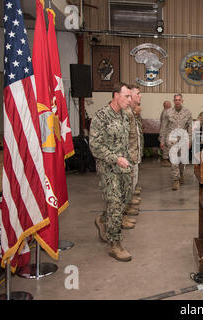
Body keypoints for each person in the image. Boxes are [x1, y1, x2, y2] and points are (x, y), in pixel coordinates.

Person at [90, 82, 133, 262]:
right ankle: (115, 244)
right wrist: (115, 158)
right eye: (127, 96)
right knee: (115, 203)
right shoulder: (101, 116)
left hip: (123, 167)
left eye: (131, 97)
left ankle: (103, 220)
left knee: (124, 200)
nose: (130, 100)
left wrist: (126, 159)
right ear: (116, 95)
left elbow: (124, 141)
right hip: (108, 169)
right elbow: (95, 146)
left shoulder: (124, 115)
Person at [159, 94, 192, 190]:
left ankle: (181, 173)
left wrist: (190, 140)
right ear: (174, 101)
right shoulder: (168, 113)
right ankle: (175, 180)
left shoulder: (187, 112)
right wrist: (162, 140)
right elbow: (163, 127)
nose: (177, 101)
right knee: (174, 160)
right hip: (171, 139)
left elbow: (190, 128)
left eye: (179, 100)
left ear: (182, 101)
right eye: (175, 100)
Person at [122, 85, 144, 221]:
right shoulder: (126, 112)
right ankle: (121, 216)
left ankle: (126, 208)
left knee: (130, 186)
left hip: (133, 156)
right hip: (127, 157)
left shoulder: (132, 112)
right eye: (138, 93)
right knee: (124, 189)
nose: (140, 96)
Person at [160, 100, 172, 167]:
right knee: (165, 147)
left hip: (167, 132)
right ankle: (165, 161)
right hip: (165, 132)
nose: (171, 106)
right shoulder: (166, 113)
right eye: (169, 104)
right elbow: (164, 125)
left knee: (167, 147)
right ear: (166, 105)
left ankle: (166, 160)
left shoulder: (165, 112)